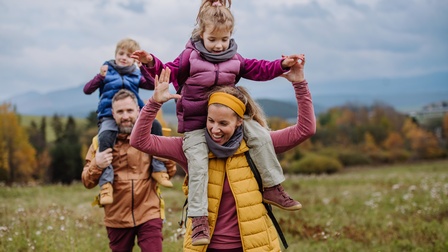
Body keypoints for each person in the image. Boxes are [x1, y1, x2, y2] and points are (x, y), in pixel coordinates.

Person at [131, 0, 302, 244]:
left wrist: (281, 65)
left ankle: (273, 187)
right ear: (202, 34)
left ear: (231, 35)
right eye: (213, 39)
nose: (219, 45)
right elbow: (166, 71)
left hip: (228, 119)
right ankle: (199, 219)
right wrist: (150, 62)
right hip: (197, 125)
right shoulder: (189, 57)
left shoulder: (236, 58)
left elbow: (259, 69)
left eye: (225, 39)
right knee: (199, 167)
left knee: (261, 136)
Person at [82, 89, 177, 252]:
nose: (125, 116)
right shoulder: (100, 143)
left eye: (129, 110)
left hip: (149, 212)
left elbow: (171, 172)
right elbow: (87, 181)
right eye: (120, 111)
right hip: (116, 217)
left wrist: (164, 157)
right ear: (113, 113)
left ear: (138, 110)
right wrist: (97, 164)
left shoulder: (150, 137)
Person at [83, 38, 172, 206]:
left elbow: (150, 84)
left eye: (129, 55)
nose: (124, 57)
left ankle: (158, 168)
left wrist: (144, 69)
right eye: (121, 53)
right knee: (105, 139)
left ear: (135, 60)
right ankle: (106, 184)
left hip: (134, 114)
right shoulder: (107, 71)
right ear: (115, 54)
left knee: (156, 126)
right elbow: (87, 89)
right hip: (109, 114)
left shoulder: (135, 74)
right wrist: (99, 76)